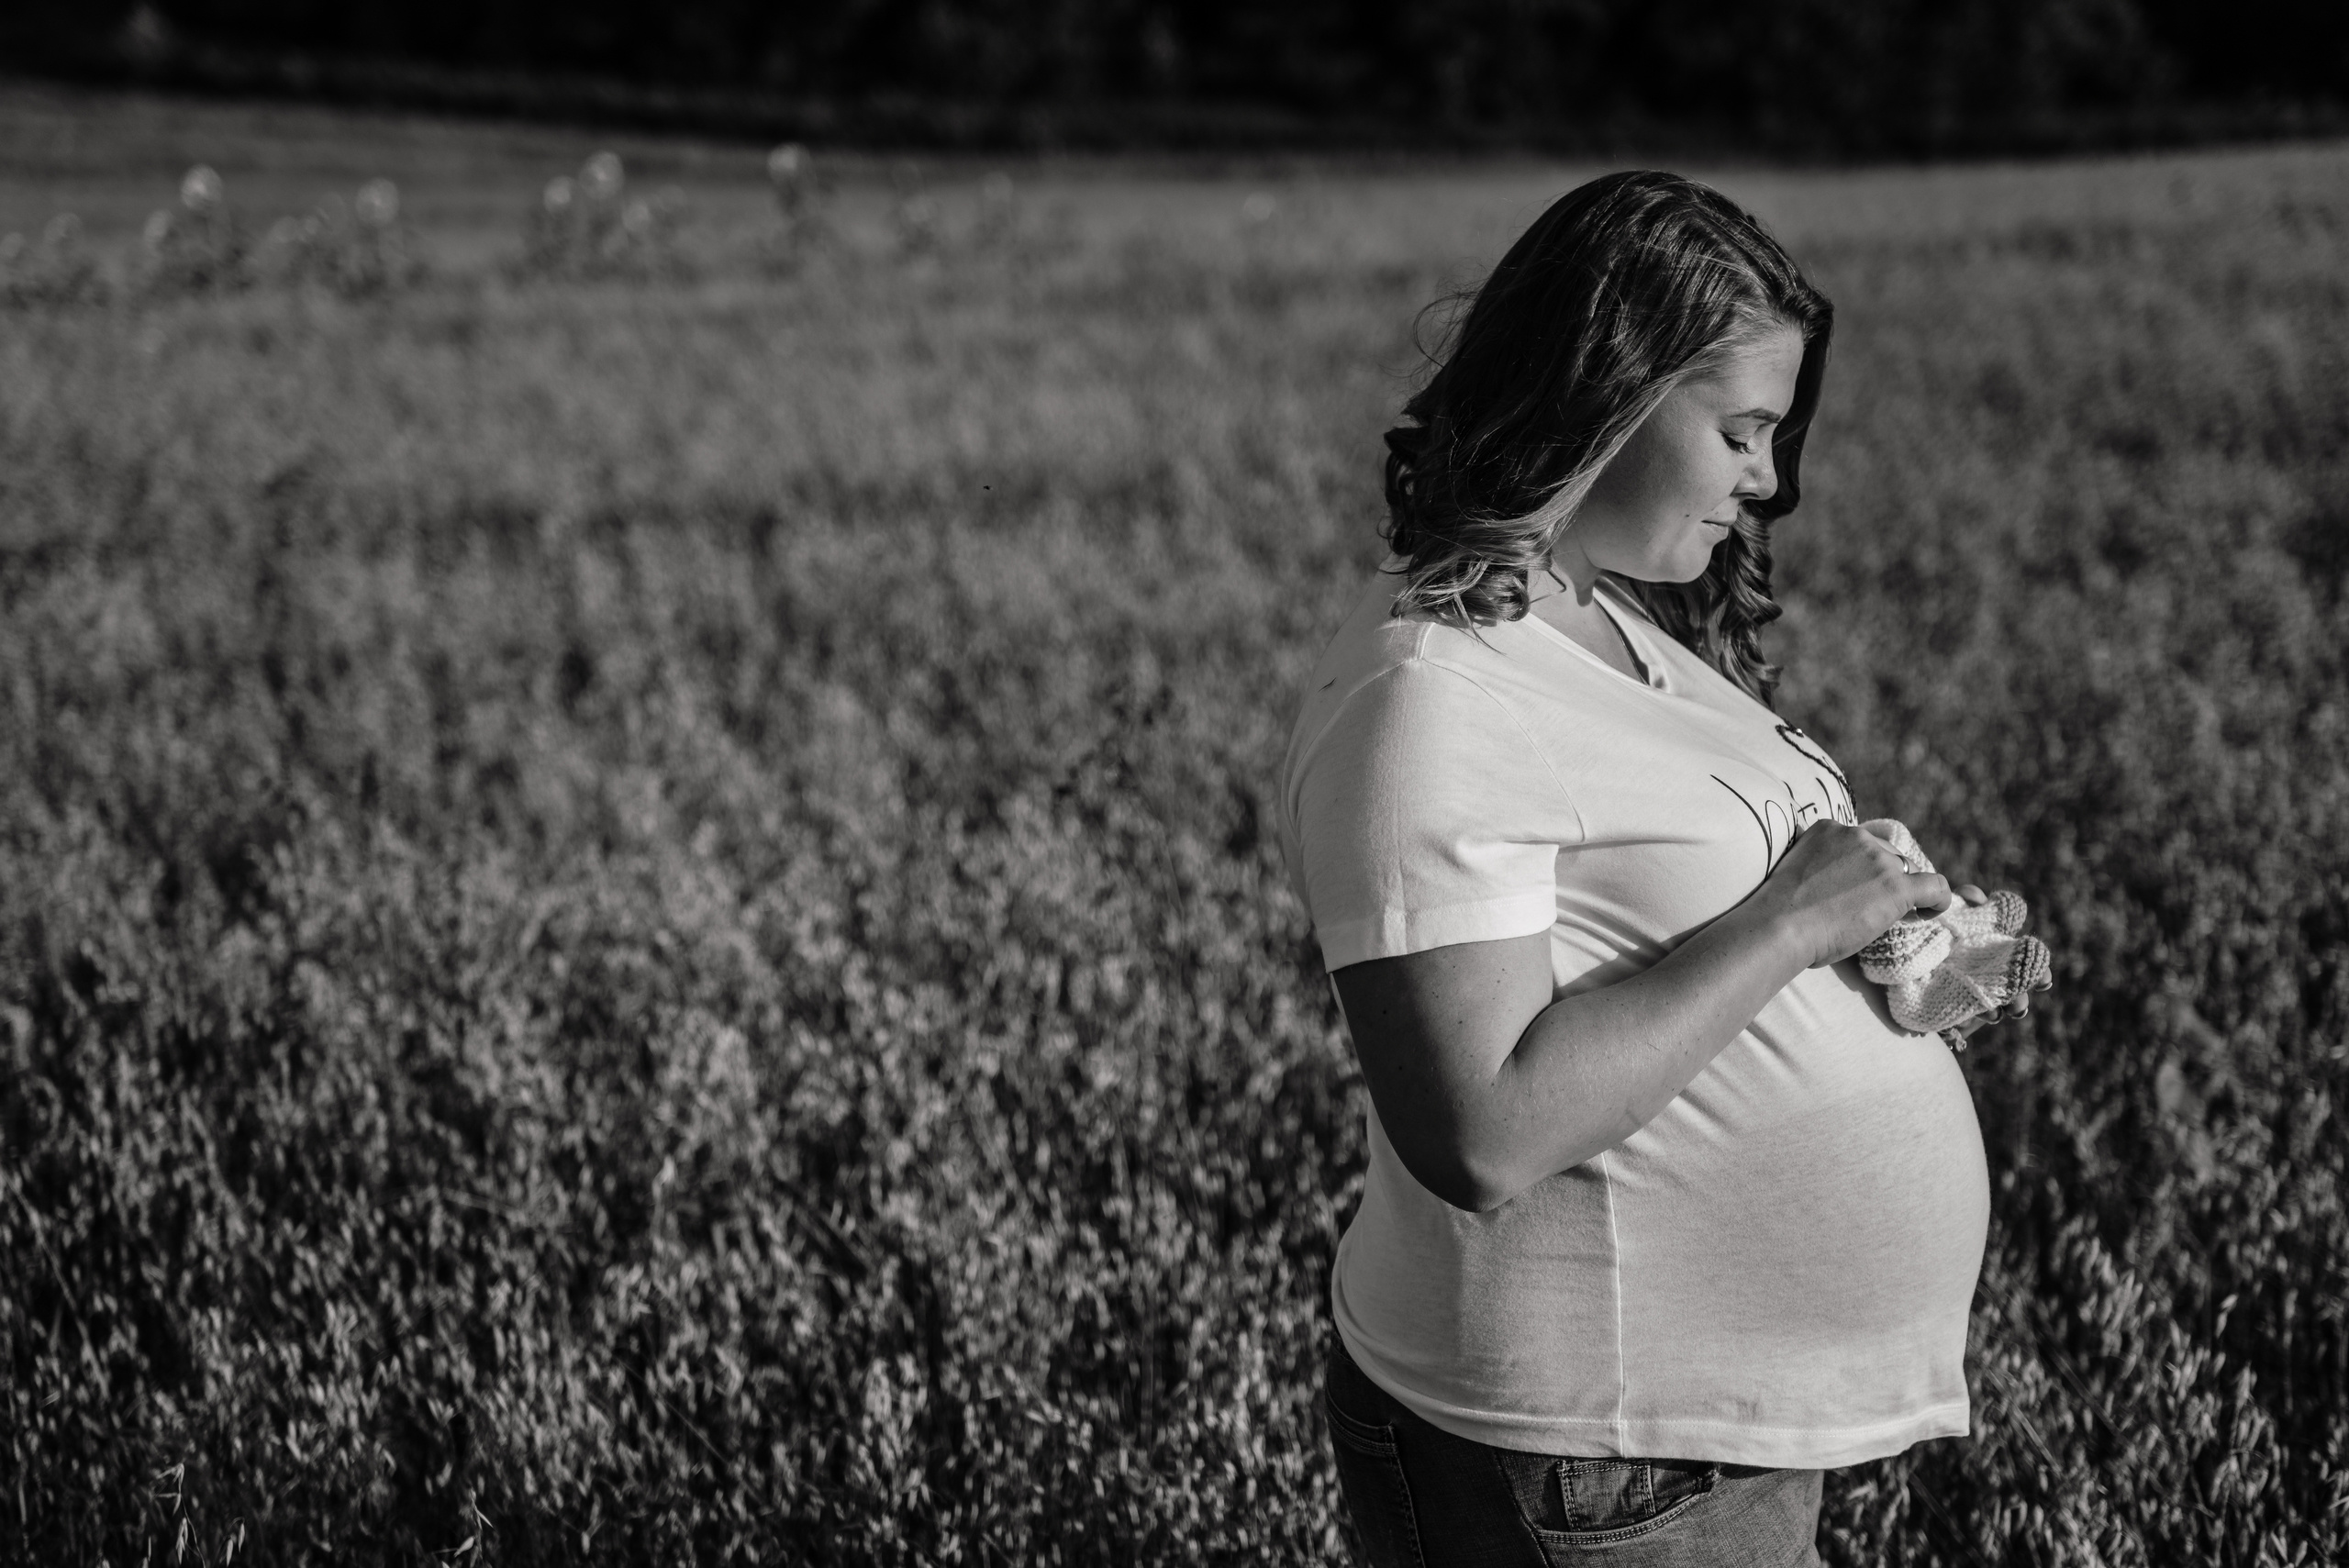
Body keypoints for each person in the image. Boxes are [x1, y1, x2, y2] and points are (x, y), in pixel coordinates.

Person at [1276, 171, 2035, 1566]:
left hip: (1685, 1446)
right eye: (1743, 430)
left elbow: (1666, 934)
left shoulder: (1602, 618)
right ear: (1605, 394)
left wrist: (1884, 951)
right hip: (1583, 1453)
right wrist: (1794, 920)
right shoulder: (1429, 693)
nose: (1769, 480)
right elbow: (1481, 1130)